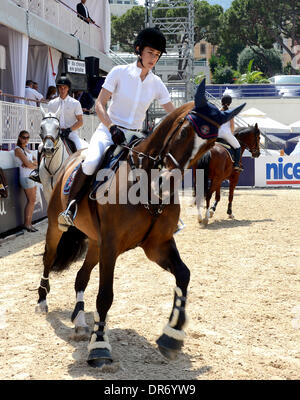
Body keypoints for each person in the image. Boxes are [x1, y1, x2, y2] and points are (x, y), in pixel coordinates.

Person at [58, 27, 176, 228]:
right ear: (139, 50)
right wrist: (112, 127)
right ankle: (71, 207)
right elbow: (99, 104)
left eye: (157, 55)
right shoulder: (119, 72)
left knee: (157, 166)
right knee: (91, 161)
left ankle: (166, 215)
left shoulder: (157, 83)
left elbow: (173, 113)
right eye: (150, 52)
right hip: (109, 131)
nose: (153, 58)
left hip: (136, 137)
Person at [29, 76, 86, 183]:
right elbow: (50, 119)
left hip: (71, 133)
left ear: (68, 88)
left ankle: (81, 175)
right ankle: (37, 172)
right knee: (41, 147)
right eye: (60, 87)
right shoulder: (52, 103)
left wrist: (68, 130)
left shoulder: (75, 103)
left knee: (79, 148)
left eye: (64, 87)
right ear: (58, 88)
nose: (62, 89)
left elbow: (80, 121)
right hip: (56, 134)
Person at [14, 130, 38, 232]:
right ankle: (27, 224)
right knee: (31, 201)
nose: (26, 139)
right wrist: (31, 164)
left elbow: (37, 161)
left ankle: (29, 223)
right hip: (26, 177)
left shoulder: (27, 149)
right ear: (19, 138)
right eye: (24, 137)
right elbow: (28, 164)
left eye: (27, 137)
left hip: (32, 176)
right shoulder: (18, 149)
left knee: (32, 201)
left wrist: (31, 163)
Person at [217, 94, 243, 171]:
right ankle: (236, 165)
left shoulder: (217, 111)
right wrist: (231, 134)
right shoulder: (230, 112)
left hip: (216, 134)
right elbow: (232, 126)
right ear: (230, 103)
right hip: (226, 134)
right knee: (238, 147)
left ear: (221, 102)